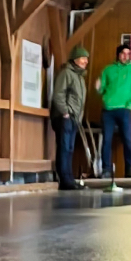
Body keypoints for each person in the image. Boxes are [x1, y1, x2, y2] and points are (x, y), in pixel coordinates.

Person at [96, 41, 131, 186]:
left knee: (127, 139)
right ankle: (106, 170)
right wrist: (98, 88)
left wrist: (130, 106)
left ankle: (129, 169)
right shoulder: (108, 70)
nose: (125, 56)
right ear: (118, 55)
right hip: (108, 110)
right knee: (106, 140)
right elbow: (101, 89)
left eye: (128, 54)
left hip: (124, 110)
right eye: (123, 53)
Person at [51, 46, 89, 190]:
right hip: (65, 117)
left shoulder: (79, 77)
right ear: (75, 59)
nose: (86, 61)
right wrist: (65, 112)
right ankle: (65, 180)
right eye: (83, 58)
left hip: (74, 119)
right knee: (65, 147)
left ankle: (69, 179)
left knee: (70, 149)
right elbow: (58, 94)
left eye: (86, 58)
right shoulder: (67, 73)